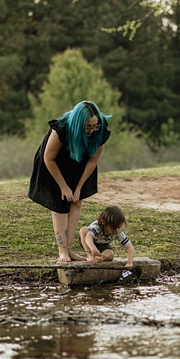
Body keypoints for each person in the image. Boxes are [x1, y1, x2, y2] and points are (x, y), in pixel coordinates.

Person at [28, 100, 111, 263]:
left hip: (80, 163)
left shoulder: (100, 128)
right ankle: (62, 252)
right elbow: (48, 158)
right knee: (60, 205)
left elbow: (93, 162)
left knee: (76, 202)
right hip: (54, 164)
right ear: (78, 123)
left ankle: (69, 249)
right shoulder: (62, 128)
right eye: (88, 127)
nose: (92, 130)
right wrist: (64, 186)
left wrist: (78, 187)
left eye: (95, 126)